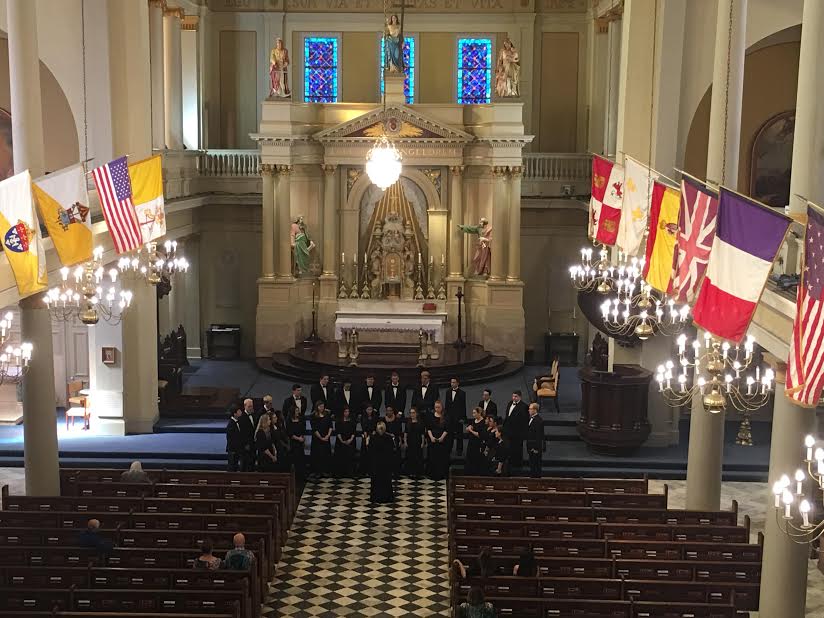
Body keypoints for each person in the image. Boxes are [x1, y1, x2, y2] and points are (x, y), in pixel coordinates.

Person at [369, 421, 396, 503]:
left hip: (385, 463)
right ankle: (376, 497)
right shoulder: (373, 437)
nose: (380, 430)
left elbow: (391, 451)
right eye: (379, 428)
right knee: (376, 480)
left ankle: (386, 497)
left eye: (382, 428)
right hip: (376, 463)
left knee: (385, 480)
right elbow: (370, 451)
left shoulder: (388, 438)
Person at [502, 390, 529, 470]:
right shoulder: (510, 403)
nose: (514, 398)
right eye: (513, 396)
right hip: (508, 430)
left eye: (516, 396)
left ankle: (517, 464)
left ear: (520, 397)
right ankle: (510, 462)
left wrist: (522, 433)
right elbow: (507, 416)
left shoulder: (524, 406)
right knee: (509, 447)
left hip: (517, 432)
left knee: (517, 449)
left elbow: (524, 421)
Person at [426, 402, 450, 480]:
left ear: (442, 407)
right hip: (432, 439)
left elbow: (447, 429)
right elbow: (428, 428)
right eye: (436, 407)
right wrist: (431, 437)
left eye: (438, 407)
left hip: (442, 440)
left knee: (441, 457)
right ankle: (432, 474)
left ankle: (441, 474)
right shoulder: (430, 416)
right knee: (432, 457)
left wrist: (442, 438)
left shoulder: (445, 416)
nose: (437, 409)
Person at [444, 377, 467, 455]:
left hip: (458, 417)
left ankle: (459, 450)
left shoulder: (462, 393)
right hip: (449, 417)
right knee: (449, 434)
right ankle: (449, 448)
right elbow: (446, 405)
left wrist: (463, 418)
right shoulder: (448, 392)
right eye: (451, 382)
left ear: (457, 383)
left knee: (459, 434)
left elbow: (463, 406)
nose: (452, 384)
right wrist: (445, 416)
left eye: (454, 382)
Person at [310, 402, 333, 475]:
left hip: (326, 437)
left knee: (326, 454)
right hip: (317, 439)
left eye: (323, 406)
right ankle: (317, 472)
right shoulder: (313, 416)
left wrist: (328, 435)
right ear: (317, 407)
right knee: (318, 455)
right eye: (320, 406)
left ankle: (325, 471)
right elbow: (314, 428)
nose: (322, 408)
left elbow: (330, 426)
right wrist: (321, 438)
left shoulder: (327, 414)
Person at [333, 406, 356, 477]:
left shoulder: (352, 420)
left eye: (348, 411)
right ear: (343, 412)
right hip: (341, 441)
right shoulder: (339, 420)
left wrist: (350, 440)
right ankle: (340, 472)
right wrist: (342, 441)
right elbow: (338, 432)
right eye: (345, 411)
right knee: (340, 455)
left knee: (350, 454)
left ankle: (350, 472)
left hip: (350, 441)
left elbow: (353, 432)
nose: (347, 413)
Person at [464, 407, 487, 475]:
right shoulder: (474, 421)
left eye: (474, 413)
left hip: (478, 443)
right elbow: (469, 427)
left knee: (476, 458)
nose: (473, 414)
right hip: (471, 442)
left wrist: (471, 430)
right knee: (470, 457)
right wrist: (468, 429)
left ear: (479, 413)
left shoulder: (483, 422)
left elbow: (479, 435)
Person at [404, 407, 425, 477]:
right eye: (411, 413)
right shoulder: (408, 422)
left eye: (413, 413)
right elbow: (405, 433)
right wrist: (405, 441)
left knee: (418, 457)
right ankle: (410, 472)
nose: (412, 414)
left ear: (417, 414)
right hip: (410, 442)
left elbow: (422, 434)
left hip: (418, 441)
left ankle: (417, 472)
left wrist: (422, 442)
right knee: (410, 457)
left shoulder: (421, 422)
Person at [383, 406, 403, 477]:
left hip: (396, 440)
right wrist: (389, 434)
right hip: (386, 440)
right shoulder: (383, 420)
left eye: (390, 410)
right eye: (388, 410)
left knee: (396, 456)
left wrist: (400, 441)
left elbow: (400, 431)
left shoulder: (397, 420)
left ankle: (396, 472)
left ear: (393, 411)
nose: (389, 412)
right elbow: (382, 431)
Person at [525, 403, 545, 478]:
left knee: (536, 465)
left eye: (530, 409)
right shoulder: (531, 418)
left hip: (535, 447)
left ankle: (536, 482)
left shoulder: (539, 421)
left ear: (535, 410)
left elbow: (539, 436)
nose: (528, 410)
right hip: (531, 446)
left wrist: (536, 448)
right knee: (532, 465)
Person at [359, 404, 379, 475]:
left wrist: (371, 435)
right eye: (368, 409)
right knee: (365, 453)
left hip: (373, 436)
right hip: (366, 435)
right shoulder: (363, 417)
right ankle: (364, 470)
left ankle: (372, 470)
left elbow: (375, 428)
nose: (370, 411)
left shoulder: (375, 417)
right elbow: (364, 429)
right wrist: (367, 438)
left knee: (373, 454)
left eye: (371, 409)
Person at [287, 406, 307, 478]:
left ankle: (302, 474)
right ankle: (295, 475)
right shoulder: (289, 420)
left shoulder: (300, 419)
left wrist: (302, 437)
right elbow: (289, 433)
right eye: (296, 411)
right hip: (293, 442)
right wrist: (298, 438)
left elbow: (303, 429)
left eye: (298, 410)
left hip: (300, 441)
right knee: (295, 458)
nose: (298, 412)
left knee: (301, 458)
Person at [239, 399, 257, 471]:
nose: (251, 408)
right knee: (245, 464)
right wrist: (245, 444)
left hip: (253, 444)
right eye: (249, 406)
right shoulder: (241, 418)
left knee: (252, 463)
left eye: (252, 406)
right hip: (246, 446)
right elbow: (241, 433)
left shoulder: (254, 415)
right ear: (245, 406)